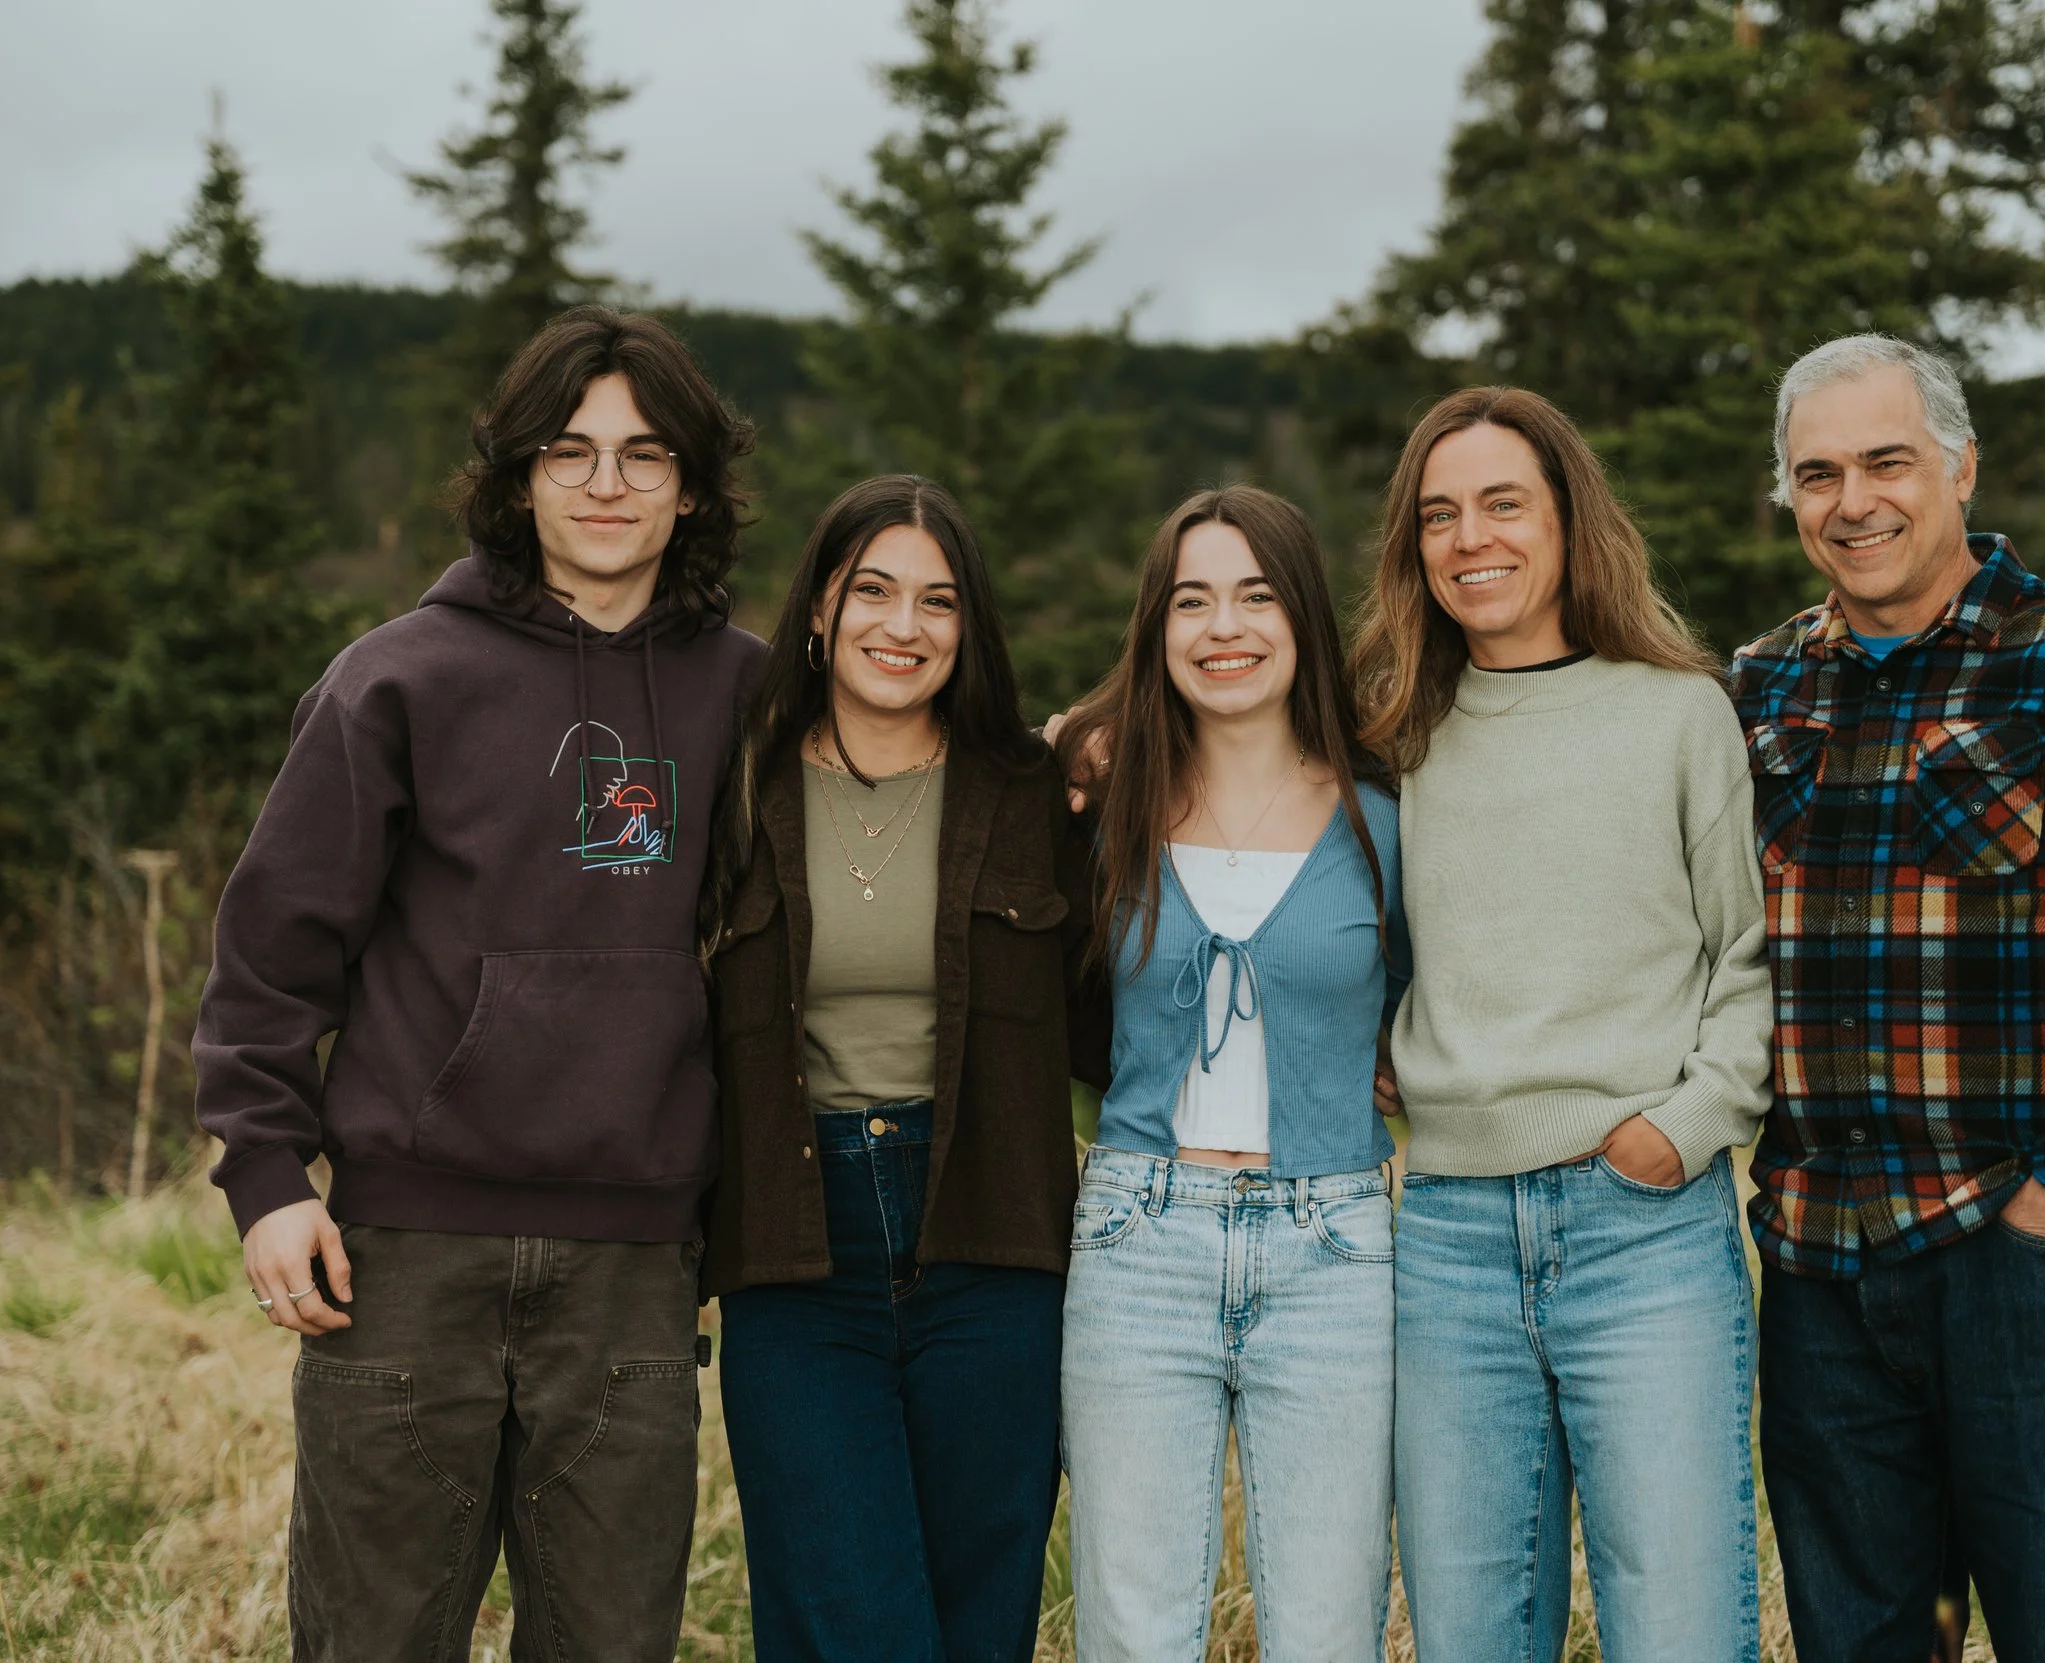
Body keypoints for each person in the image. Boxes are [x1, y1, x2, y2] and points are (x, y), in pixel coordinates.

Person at [191, 305, 762, 1661]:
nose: (608, 484)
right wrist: (266, 1176)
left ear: (691, 484)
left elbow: (908, 753)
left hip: (634, 1267)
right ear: (516, 478)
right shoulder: (395, 680)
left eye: (643, 453)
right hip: (403, 1261)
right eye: (570, 451)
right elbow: (273, 948)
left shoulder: (748, 692)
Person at [1734, 335, 2045, 1663]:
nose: (1854, 501)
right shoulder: (1760, 689)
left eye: (1887, 461)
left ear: (1960, 464)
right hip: (1818, 1262)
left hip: (2021, 1257)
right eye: (1817, 473)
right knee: (1859, 1639)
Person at [1358, 387, 1774, 1661]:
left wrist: (1689, 1122)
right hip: (1446, 1242)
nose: (1468, 538)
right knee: (1473, 1631)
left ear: (1567, 523)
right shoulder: (1392, 736)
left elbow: (1749, 955)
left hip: (1641, 1225)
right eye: (1439, 515)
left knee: (1682, 1626)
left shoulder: (1677, 711)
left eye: (1501, 505)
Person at [697, 474, 1095, 1663]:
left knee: (982, 1619)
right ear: (819, 608)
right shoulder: (733, 792)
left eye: (937, 600)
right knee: (846, 1621)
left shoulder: (1036, 794)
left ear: (968, 627)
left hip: (993, 1242)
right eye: (872, 590)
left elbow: (1125, 1014)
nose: (902, 626)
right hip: (793, 1247)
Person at [1052, 486, 1406, 1662]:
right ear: (1157, 628)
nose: (1224, 626)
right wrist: (1069, 735)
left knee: (1326, 1625)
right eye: (1192, 599)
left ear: (1302, 614)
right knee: (1132, 1622)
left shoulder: (1384, 813)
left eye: (1256, 594)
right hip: (1137, 1241)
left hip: (1339, 1250)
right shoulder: (1100, 799)